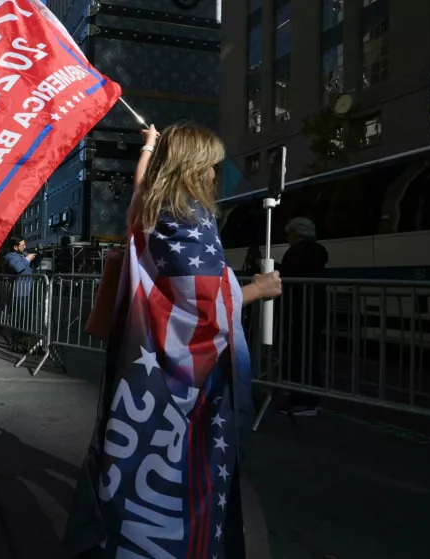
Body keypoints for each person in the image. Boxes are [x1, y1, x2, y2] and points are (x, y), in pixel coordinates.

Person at [64, 122, 282, 558]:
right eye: (214, 167)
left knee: (137, 465)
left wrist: (147, 148)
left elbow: (141, 186)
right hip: (191, 388)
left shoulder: (150, 211)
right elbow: (204, 302)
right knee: (190, 476)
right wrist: (260, 289)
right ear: (197, 168)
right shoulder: (191, 219)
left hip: (144, 374)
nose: (217, 177)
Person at [279, 216, 329, 416]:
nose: (287, 238)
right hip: (314, 309)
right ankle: (309, 398)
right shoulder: (318, 251)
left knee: (298, 354)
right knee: (311, 353)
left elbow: (288, 278)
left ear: (296, 233)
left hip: (298, 310)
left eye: (288, 234)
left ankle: (301, 401)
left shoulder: (295, 253)